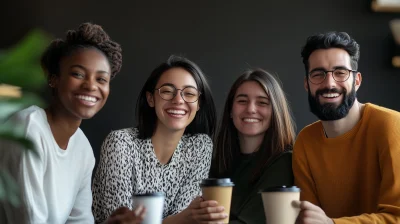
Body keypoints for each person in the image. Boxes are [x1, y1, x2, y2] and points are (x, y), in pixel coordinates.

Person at [9, 22, 144, 224]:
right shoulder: (28, 129)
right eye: (78, 74)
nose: (91, 85)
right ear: (53, 78)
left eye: (101, 79)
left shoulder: (82, 149)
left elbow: (79, 221)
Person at [92, 55, 219, 224]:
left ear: (199, 103)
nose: (178, 100)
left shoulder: (200, 146)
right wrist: (180, 220)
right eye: (167, 91)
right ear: (151, 98)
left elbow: (187, 217)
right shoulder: (120, 143)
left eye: (189, 93)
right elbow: (122, 221)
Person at [293, 31, 400, 223]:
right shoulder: (305, 142)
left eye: (340, 73)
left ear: (356, 81)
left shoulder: (391, 126)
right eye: (318, 74)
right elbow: (309, 219)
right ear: (307, 84)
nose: (329, 83)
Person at [207, 69, 296, 224]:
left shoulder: (285, 162)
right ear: (230, 110)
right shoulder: (217, 164)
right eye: (242, 101)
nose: (251, 109)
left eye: (262, 102)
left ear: (276, 112)